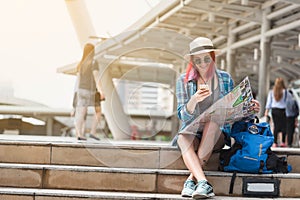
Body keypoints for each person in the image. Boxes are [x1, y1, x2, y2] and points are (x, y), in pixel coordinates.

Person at [171, 37, 260, 199]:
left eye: (207, 59)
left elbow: (234, 112)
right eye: (198, 60)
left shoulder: (225, 78)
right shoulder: (183, 81)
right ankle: (202, 182)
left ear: (213, 57)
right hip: (193, 133)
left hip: (217, 133)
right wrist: (193, 100)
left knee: (212, 123)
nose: (203, 63)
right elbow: (182, 115)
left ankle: (192, 180)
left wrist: (250, 109)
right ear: (192, 61)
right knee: (182, 138)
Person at [74, 42, 105, 140]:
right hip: (91, 91)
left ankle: (79, 134)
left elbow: (78, 79)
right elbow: (96, 77)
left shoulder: (81, 63)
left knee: (81, 112)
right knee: (98, 112)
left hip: (81, 90)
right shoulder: (93, 62)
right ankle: (93, 132)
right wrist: (100, 90)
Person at [265, 78, 291, 147]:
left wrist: (266, 112)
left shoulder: (271, 92)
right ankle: (282, 142)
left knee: (276, 126)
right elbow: (288, 102)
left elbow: (269, 103)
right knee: (283, 126)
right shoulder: (285, 92)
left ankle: (275, 142)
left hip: (274, 110)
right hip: (283, 110)